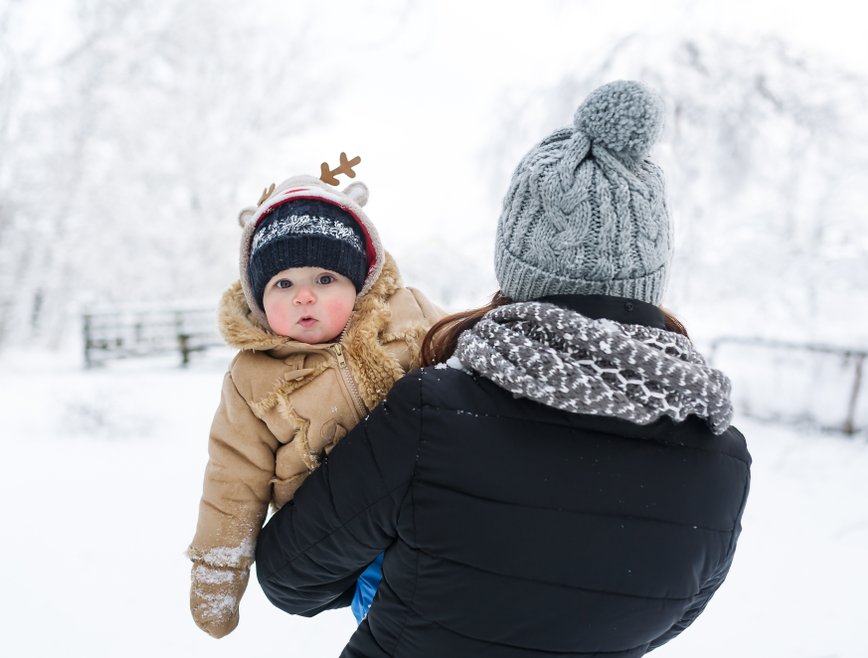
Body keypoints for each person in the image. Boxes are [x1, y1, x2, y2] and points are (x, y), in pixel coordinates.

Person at [254, 81, 752, 657]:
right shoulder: (723, 457)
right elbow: (670, 621)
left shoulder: (431, 414)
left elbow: (291, 576)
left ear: (516, 261)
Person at [186, 161, 445, 638]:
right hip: (348, 538)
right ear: (260, 299)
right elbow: (232, 478)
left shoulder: (410, 313)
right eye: (283, 284)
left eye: (325, 279)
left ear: (358, 280)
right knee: (401, 620)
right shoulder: (252, 378)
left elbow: (472, 359)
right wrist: (218, 574)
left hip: (439, 504)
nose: (304, 296)